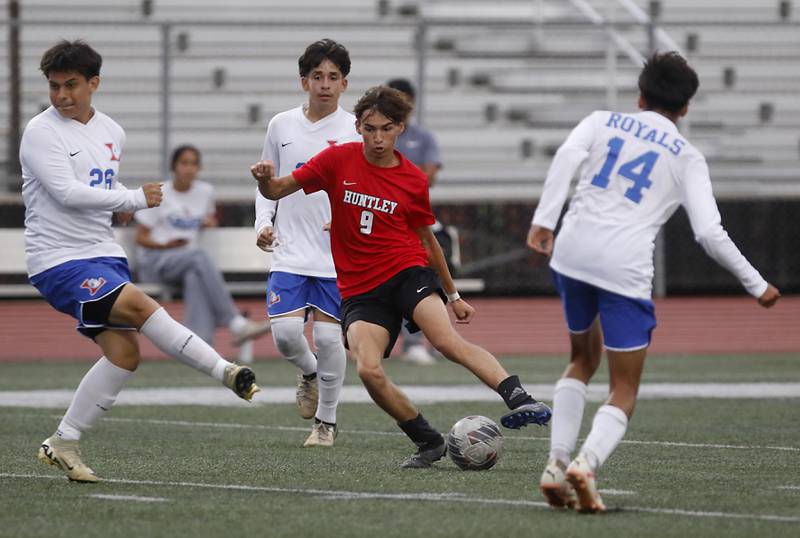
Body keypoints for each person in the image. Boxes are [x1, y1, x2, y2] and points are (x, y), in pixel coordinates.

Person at [528, 51, 781, 513]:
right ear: (685, 108)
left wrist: (544, 220)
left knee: (581, 359)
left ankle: (555, 462)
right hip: (624, 266)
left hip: (572, 251)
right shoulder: (687, 155)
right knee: (623, 389)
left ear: (639, 96)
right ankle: (584, 465)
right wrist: (756, 283)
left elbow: (567, 156)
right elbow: (707, 231)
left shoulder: (601, 120)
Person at [251, 86, 552, 468]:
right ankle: (428, 441)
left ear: (400, 128)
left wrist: (453, 295)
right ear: (357, 126)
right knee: (368, 370)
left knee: (444, 340)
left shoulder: (412, 179)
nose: (378, 138)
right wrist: (263, 179)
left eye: (387, 129)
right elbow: (277, 188)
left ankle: (519, 397)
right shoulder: (336, 160)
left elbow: (428, 241)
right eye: (370, 128)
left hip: (406, 271)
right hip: (361, 290)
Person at [21, 40, 259, 483]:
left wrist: (121, 200)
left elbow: (96, 186)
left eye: (71, 85)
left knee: (124, 354)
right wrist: (131, 198)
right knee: (141, 306)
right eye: (54, 87)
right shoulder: (41, 131)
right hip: (58, 259)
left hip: (103, 253)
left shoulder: (113, 131)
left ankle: (64, 440)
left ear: (94, 83)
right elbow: (66, 193)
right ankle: (223, 370)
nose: (61, 96)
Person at [254, 39, 359, 447]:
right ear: (304, 81)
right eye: (318, 76)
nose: (325, 84)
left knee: (331, 339)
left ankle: (325, 424)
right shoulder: (281, 126)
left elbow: (363, 185)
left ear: (345, 84)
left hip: (335, 255)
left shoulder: (354, 130)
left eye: (333, 77)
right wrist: (263, 223)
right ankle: (310, 373)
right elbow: (266, 183)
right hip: (290, 250)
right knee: (284, 336)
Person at [135, 144, 271, 348]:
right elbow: (141, 237)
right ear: (174, 166)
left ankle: (199, 344)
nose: (189, 169)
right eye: (184, 163)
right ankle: (235, 322)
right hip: (156, 262)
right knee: (197, 257)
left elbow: (206, 219)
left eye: (194, 164)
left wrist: (208, 223)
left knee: (195, 276)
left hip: (186, 263)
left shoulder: (205, 192)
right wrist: (167, 245)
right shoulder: (160, 193)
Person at [385, 78, 443, 365]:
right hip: (383, 218)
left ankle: (424, 339)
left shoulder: (423, 137)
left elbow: (428, 174)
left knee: (420, 276)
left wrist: (396, 183)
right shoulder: (381, 135)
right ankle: (402, 340)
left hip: (413, 218)